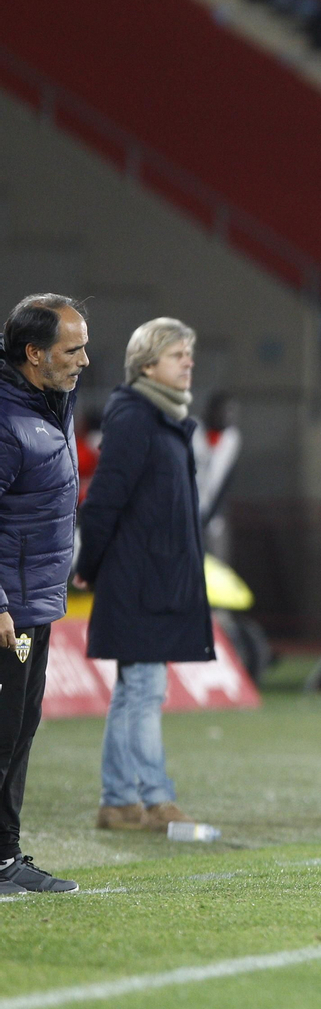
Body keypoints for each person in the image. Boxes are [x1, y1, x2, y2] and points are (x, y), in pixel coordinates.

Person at [76, 318, 215, 835]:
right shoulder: (136, 415)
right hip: (138, 579)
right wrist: (89, 565)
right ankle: (155, 799)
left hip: (154, 578)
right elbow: (104, 499)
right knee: (144, 690)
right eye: (179, 354)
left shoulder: (163, 417)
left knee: (135, 691)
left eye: (189, 354)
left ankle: (117, 801)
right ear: (148, 363)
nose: (189, 363)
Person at [0, 294, 90, 895]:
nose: (85, 358)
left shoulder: (51, 404)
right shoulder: (8, 420)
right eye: (73, 348)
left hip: (36, 600)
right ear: (34, 353)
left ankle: (5, 859)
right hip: (10, 606)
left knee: (20, 729)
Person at [192, 390, 240, 558]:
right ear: (211, 410)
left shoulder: (232, 439)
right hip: (187, 512)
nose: (228, 416)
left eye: (232, 412)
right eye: (224, 411)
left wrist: (211, 514)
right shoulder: (192, 431)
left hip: (213, 517)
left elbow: (227, 481)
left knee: (217, 562)